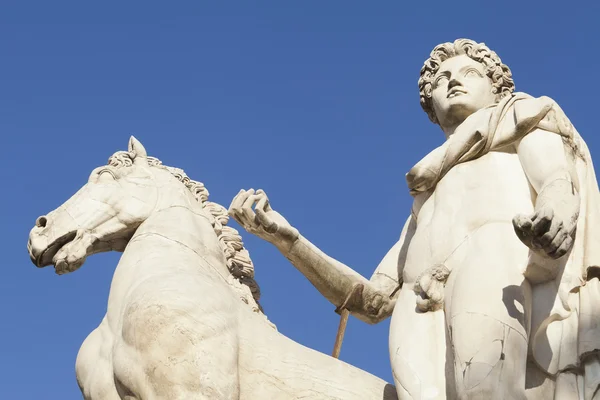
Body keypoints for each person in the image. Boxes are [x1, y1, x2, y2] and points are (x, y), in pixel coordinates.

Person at [229, 39, 600, 399]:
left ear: (497, 88)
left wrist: (554, 215)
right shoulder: (424, 202)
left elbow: (556, 180)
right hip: (416, 299)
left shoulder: (520, 119)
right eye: (441, 79)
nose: (453, 81)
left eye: (469, 73)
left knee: (485, 389)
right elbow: (371, 302)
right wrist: (288, 240)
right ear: (431, 106)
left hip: (492, 255)